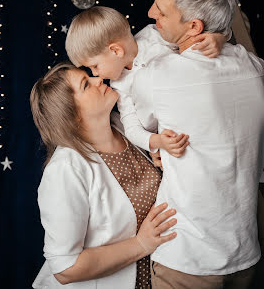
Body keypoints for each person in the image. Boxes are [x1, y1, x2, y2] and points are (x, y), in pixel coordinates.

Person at [124, 0, 264, 288]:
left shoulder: (157, 76)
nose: (149, 13)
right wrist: (224, 34)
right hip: (245, 253)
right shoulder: (256, 67)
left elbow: (139, 122)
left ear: (195, 27)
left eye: (161, 11)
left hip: (188, 260)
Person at [30, 62, 178, 289]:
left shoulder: (124, 127)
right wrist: (140, 244)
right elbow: (65, 268)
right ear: (72, 114)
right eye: (86, 85)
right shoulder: (65, 169)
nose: (98, 79)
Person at [66, 5, 227, 156]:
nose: (97, 75)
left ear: (116, 50)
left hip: (204, 98)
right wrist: (158, 141)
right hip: (178, 129)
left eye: (95, 66)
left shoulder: (155, 36)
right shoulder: (119, 86)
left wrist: (218, 38)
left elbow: (193, 36)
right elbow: (131, 127)